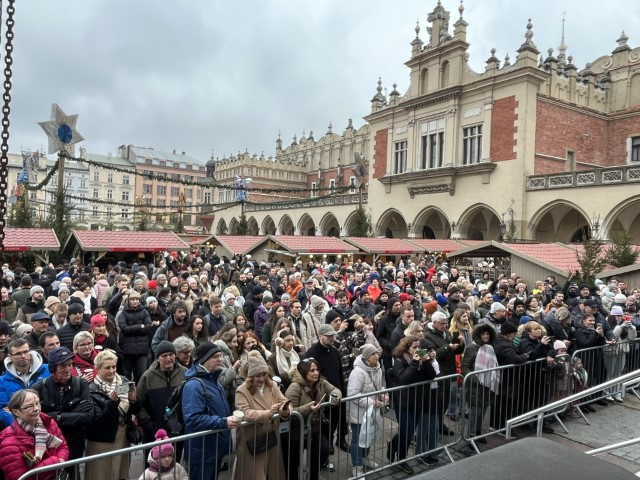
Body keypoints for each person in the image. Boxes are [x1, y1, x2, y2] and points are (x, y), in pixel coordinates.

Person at [32, 347, 94, 478]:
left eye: (70, 365)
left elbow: (88, 416)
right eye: (62, 366)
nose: (67, 369)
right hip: (50, 446)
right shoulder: (40, 387)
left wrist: (55, 416)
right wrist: (73, 415)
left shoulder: (80, 384)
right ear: (53, 368)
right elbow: (33, 417)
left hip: (74, 443)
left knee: (74, 475)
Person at [183, 342, 241, 480]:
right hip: (202, 452)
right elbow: (192, 419)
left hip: (213, 449)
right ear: (204, 360)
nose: (220, 359)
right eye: (215, 356)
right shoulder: (194, 385)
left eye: (220, 356)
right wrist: (223, 422)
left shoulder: (214, 380)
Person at [233, 350, 289, 480]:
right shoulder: (242, 391)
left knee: (274, 473)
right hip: (252, 439)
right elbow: (246, 413)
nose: (262, 379)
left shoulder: (273, 385)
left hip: (272, 437)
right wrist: (269, 413)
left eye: (264, 374)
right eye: (258, 375)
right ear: (250, 376)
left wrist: (285, 409)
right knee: (255, 475)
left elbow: (284, 401)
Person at [285, 358, 341, 480]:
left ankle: (312, 476)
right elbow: (289, 412)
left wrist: (336, 397)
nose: (316, 373)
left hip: (314, 428)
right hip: (295, 432)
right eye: (312, 370)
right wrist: (308, 408)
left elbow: (335, 390)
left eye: (317, 370)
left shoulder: (321, 383)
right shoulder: (294, 387)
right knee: (293, 465)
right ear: (303, 372)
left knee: (324, 450)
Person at [389, 336, 438, 473]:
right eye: (414, 347)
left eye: (419, 347)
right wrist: (415, 363)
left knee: (409, 432)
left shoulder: (422, 360)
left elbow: (431, 376)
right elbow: (405, 379)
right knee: (406, 432)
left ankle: (394, 445)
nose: (417, 350)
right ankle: (402, 459)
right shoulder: (400, 361)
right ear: (407, 348)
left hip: (418, 401)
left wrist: (427, 361)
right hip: (403, 403)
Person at [85, 349, 136, 480]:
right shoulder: (91, 389)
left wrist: (133, 400)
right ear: (98, 369)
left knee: (120, 473)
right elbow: (98, 420)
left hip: (121, 435)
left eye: (114, 366)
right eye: (107, 368)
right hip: (102, 440)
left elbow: (132, 410)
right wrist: (113, 403)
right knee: (100, 474)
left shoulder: (123, 382)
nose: (112, 370)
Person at [0, 389, 69, 480]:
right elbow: (19, 477)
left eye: (37, 403)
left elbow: (62, 446)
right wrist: (55, 462)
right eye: (29, 406)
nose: (36, 409)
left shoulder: (49, 423)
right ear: (16, 412)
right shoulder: (9, 443)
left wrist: (61, 460)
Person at [347, 344, 387, 479]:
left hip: (372, 412)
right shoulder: (357, 372)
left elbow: (380, 385)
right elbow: (353, 394)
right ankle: (356, 467)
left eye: (377, 353)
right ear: (366, 357)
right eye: (373, 354)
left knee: (368, 436)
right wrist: (372, 402)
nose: (377, 356)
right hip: (358, 413)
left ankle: (364, 459)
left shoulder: (377, 368)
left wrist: (384, 394)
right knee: (358, 439)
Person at [137, 341, 187, 443]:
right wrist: (146, 422)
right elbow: (138, 401)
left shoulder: (185, 373)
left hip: (179, 429)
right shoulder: (148, 376)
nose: (168, 358)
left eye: (171, 355)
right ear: (157, 358)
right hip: (154, 432)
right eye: (164, 356)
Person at [461, 324, 499, 443]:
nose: (486, 336)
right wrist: (475, 378)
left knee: (482, 411)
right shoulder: (472, 348)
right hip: (475, 386)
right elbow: (465, 366)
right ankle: (470, 436)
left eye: (488, 334)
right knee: (475, 412)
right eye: (483, 334)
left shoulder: (490, 347)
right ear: (478, 335)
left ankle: (477, 433)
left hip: (487, 385)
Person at [0, 339, 51, 426]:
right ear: (10, 357)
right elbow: (3, 411)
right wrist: (22, 427)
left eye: (26, 352)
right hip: (19, 430)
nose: (23, 356)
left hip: (48, 423)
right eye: (18, 353)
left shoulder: (48, 370)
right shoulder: (2, 381)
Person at [117, 290, 152, 382]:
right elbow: (124, 329)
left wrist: (131, 329)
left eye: (137, 299)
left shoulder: (145, 312)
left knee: (141, 375)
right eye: (133, 299)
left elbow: (148, 328)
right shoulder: (123, 313)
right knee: (126, 376)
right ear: (129, 301)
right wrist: (140, 326)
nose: (135, 301)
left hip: (142, 349)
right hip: (127, 349)